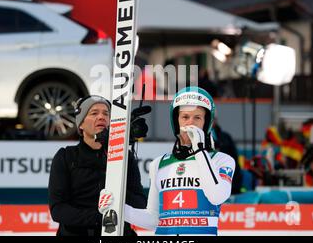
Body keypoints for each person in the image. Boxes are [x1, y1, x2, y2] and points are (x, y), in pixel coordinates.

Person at [99, 87, 235, 235]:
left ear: (206, 123)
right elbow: (152, 220)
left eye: (197, 117)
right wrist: (118, 208)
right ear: (176, 122)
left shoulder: (221, 160)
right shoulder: (159, 163)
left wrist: (200, 150)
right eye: (185, 117)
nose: (191, 123)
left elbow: (217, 196)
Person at [48, 95, 147, 236]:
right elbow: (58, 210)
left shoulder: (126, 158)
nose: (101, 117)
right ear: (80, 124)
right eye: (94, 113)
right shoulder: (65, 156)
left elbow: (140, 204)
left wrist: (117, 189)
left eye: (106, 114)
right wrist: (101, 219)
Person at [212, 122, 243, 194]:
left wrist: (236, 185)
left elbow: (234, 159)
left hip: (228, 179)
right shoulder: (197, 136)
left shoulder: (225, 137)